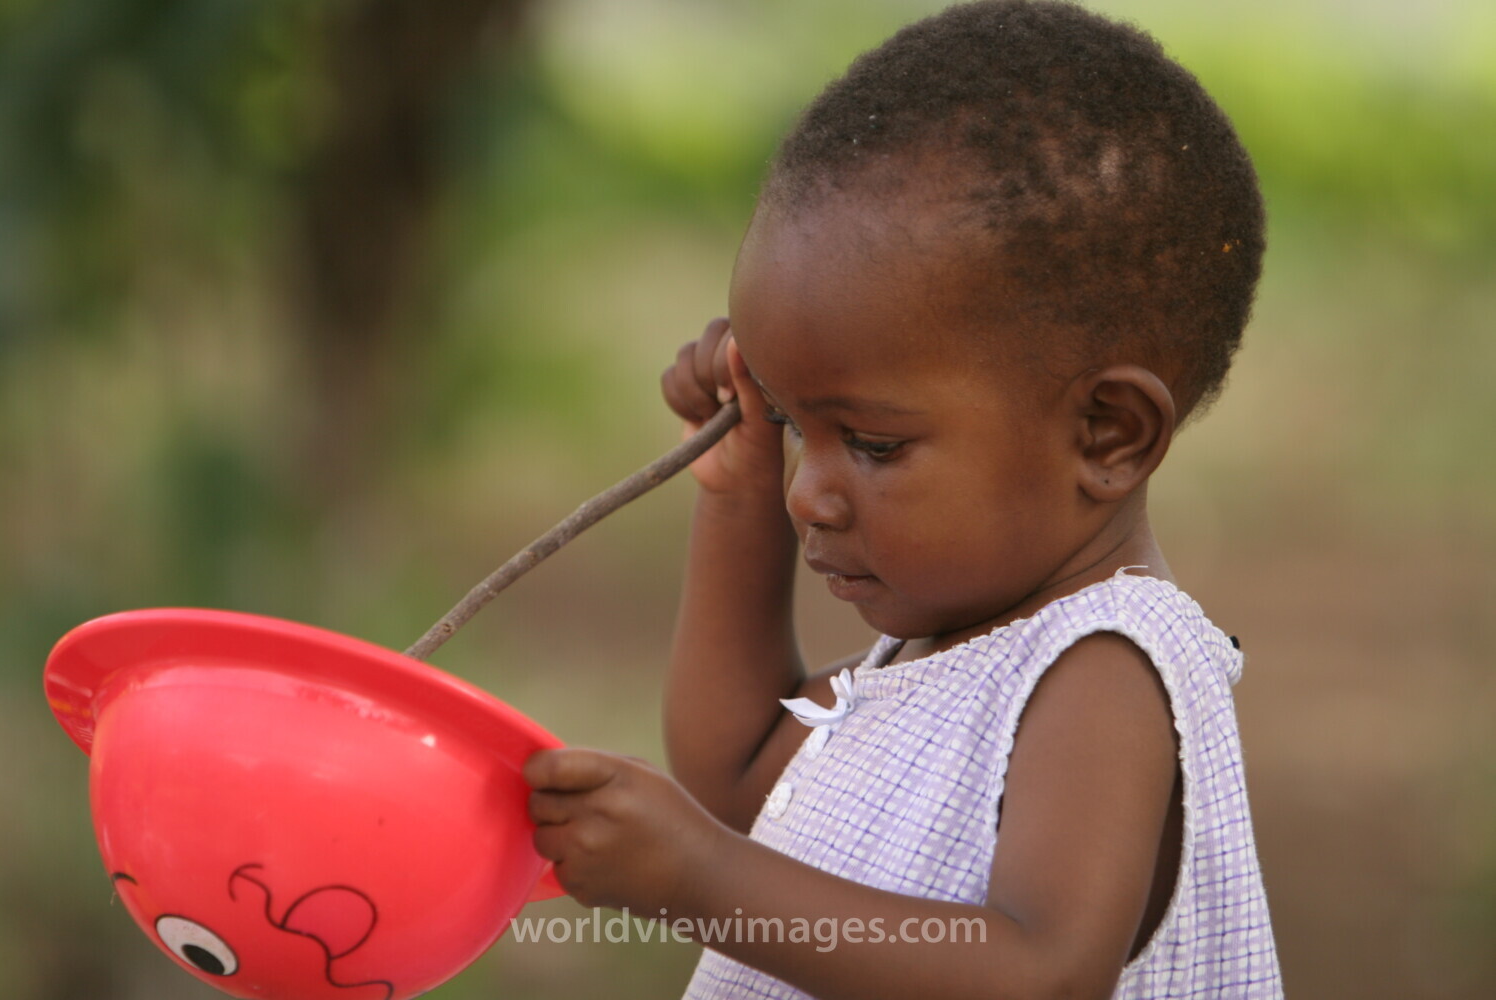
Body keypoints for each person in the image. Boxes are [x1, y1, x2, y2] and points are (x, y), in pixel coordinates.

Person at [522, 2, 1282, 997]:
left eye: (873, 443)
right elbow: (740, 770)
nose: (810, 497)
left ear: (1108, 435)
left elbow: (1042, 970)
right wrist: (738, 488)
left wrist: (704, 882)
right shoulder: (941, 652)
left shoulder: (1104, 668)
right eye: (797, 427)